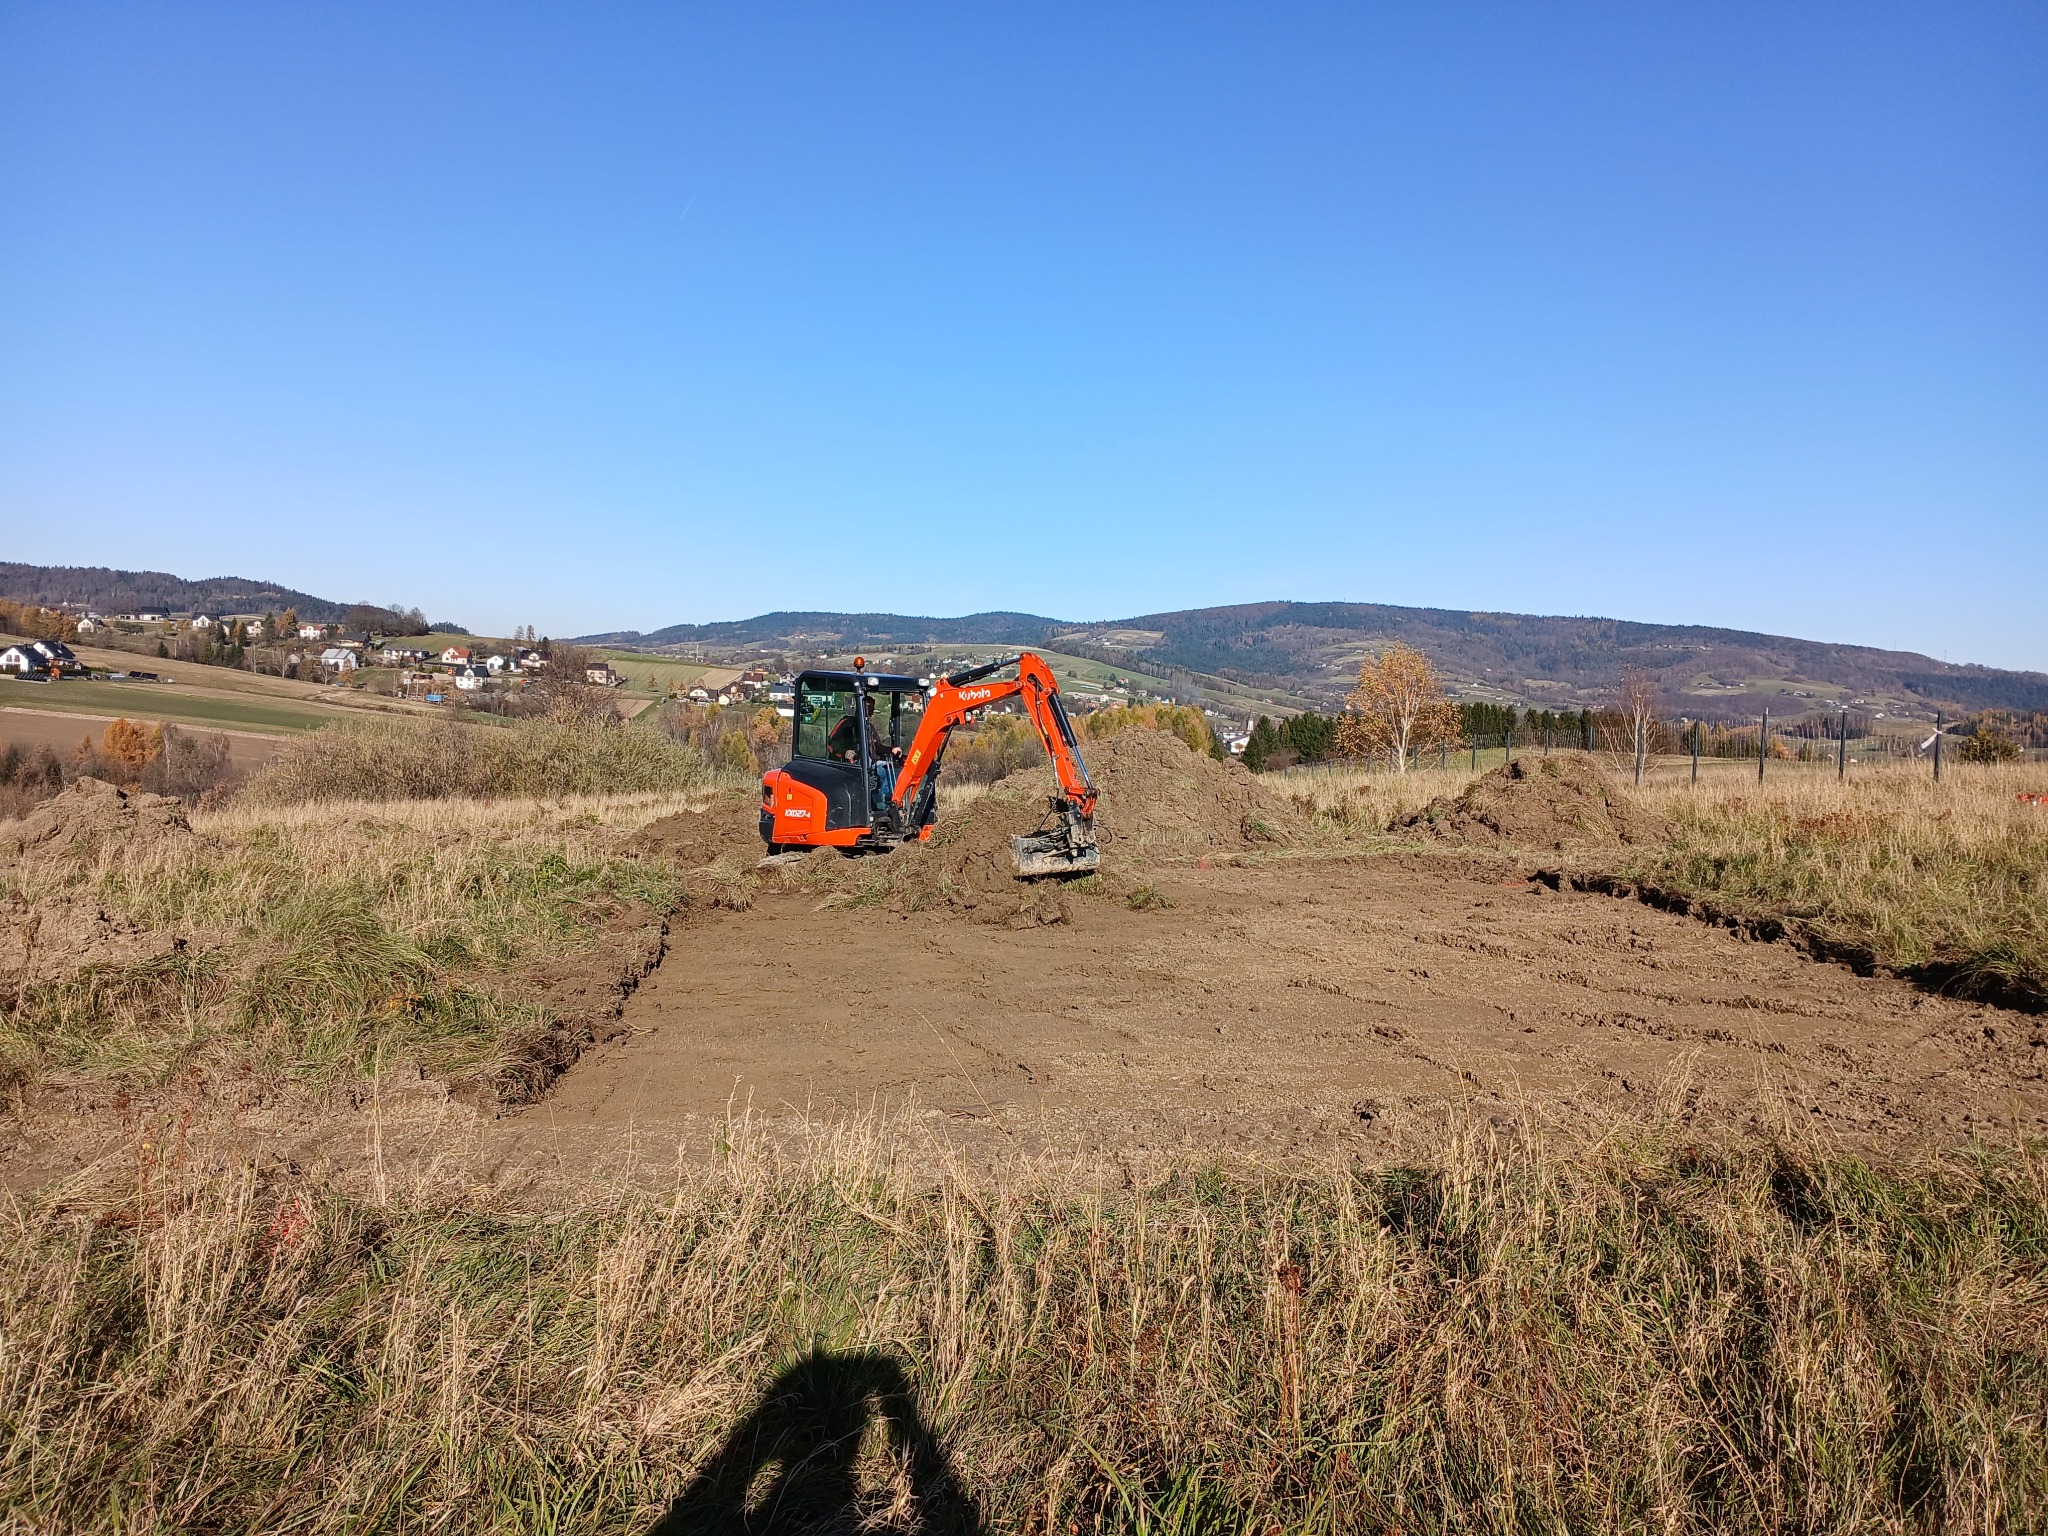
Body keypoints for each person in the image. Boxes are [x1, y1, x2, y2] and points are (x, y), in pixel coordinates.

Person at [828, 695, 901, 811]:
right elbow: (831, 744)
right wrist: (844, 752)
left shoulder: (869, 728)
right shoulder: (846, 724)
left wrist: (892, 750)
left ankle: (888, 801)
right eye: (868, 709)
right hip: (851, 766)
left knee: (894, 770)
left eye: (871, 710)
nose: (870, 713)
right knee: (882, 771)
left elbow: (877, 747)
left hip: (871, 764)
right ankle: (880, 801)